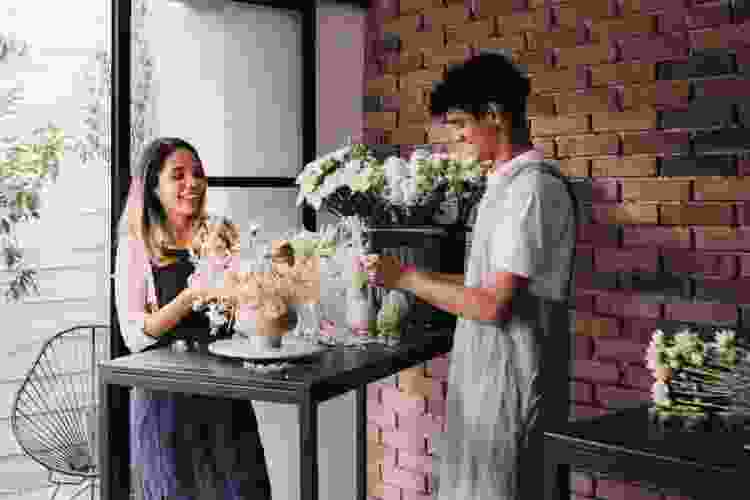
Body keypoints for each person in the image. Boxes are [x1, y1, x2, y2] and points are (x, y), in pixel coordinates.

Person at [364, 53, 577, 500]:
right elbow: (481, 281)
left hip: (514, 381)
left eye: (461, 124)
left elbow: (492, 304)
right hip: (486, 377)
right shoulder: (505, 185)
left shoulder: (532, 188)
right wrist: (406, 274)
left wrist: (405, 277)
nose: (456, 139)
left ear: (496, 115)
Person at [114, 137, 272, 500]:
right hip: (164, 402)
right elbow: (135, 336)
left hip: (223, 392)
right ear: (154, 187)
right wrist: (191, 296)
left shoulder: (218, 235)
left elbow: (242, 318)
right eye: (178, 175)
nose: (193, 183)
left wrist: (257, 284)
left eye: (198, 173)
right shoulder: (136, 247)